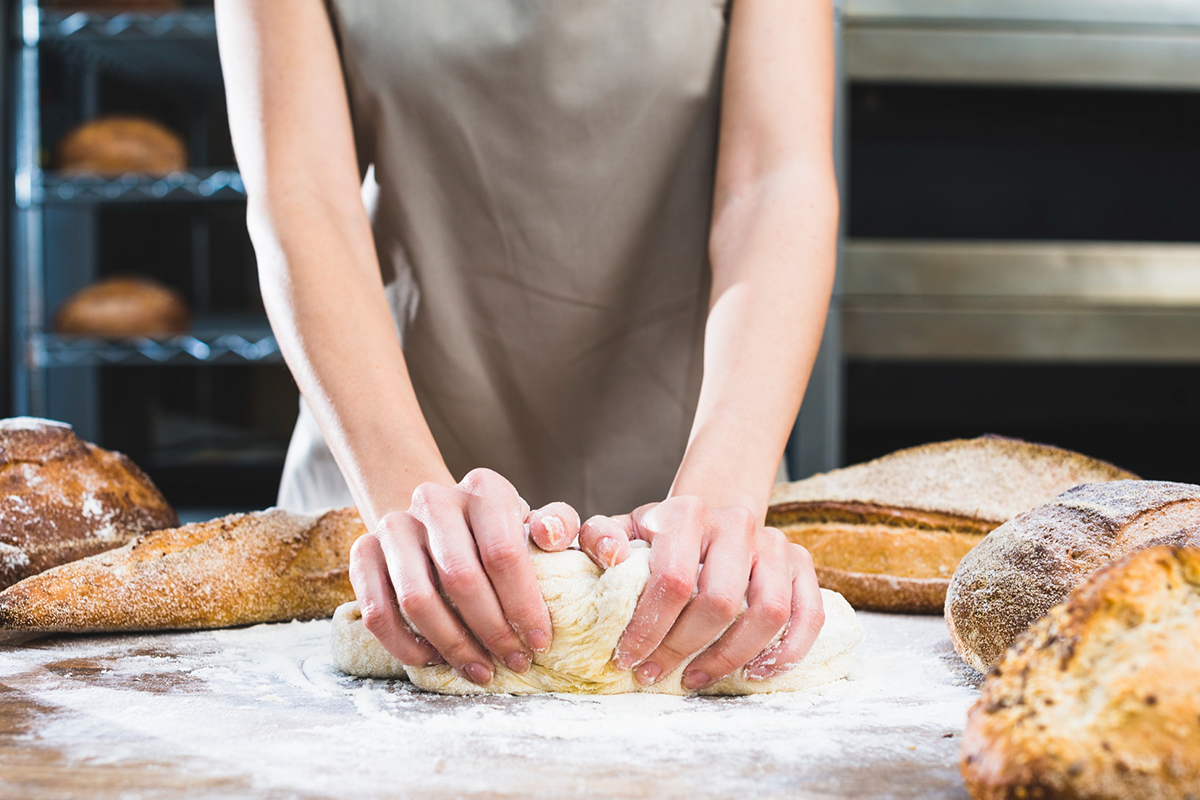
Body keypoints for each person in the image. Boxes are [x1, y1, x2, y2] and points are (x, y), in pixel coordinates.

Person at [216, 0, 838, 691]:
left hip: (693, 496)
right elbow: (303, 191)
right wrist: (409, 499)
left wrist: (721, 503)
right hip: (383, 493)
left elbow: (772, 184)